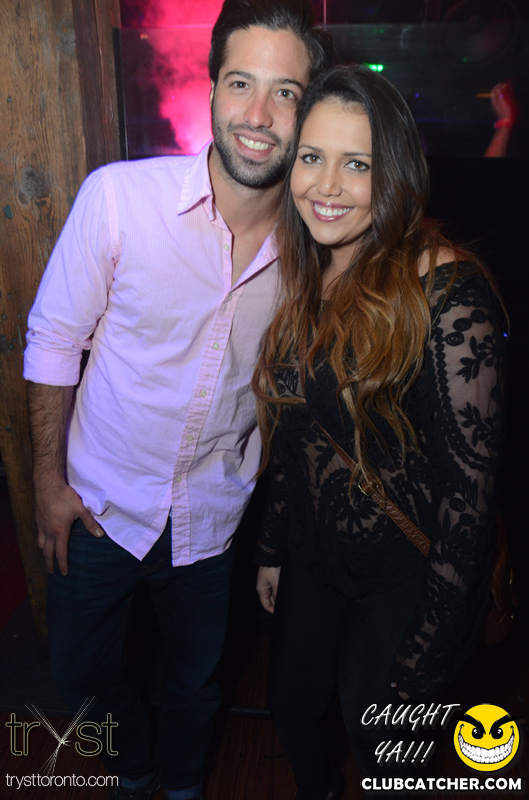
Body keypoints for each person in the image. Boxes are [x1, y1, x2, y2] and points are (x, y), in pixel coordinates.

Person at [23, 2, 331, 799]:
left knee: (196, 679)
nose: (258, 115)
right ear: (212, 87)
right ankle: (134, 768)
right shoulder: (119, 199)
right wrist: (48, 482)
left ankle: (185, 785)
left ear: (308, 110)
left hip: (211, 517)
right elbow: (53, 340)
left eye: (286, 92)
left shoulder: (314, 253)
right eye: (241, 83)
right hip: (97, 504)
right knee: (80, 675)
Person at [253, 65, 507, 800]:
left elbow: (469, 498)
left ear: (392, 172)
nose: (326, 186)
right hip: (316, 555)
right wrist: (272, 550)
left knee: (385, 749)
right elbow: (297, 436)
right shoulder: (308, 268)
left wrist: (429, 647)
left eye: (357, 164)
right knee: (291, 709)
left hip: (406, 572)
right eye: (312, 157)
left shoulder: (447, 292)